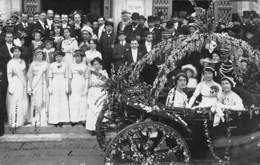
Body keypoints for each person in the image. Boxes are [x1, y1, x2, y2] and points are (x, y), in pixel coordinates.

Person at [6, 46, 28, 129]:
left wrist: (25, 84)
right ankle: (13, 121)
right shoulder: (10, 62)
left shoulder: (23, 62)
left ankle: (20, 121)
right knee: (13, 101)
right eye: (15, 51)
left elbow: (25, 73)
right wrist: (11, 85)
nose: (17, 53)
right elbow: (9, 75)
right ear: (13, 52)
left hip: (22, 83)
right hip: (14, 82)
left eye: (18, 51)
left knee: (21, 101)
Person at [86, 57, 108, 135]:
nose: (96, 66)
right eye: (94, 64)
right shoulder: (90, 73)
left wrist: (98, 83)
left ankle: (101, 129)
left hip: (101, 92)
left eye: (97, 64)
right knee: (93, 109)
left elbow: (106, 82)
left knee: (101, 109)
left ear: (100, 65)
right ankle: (93, 128)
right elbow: (89, 83)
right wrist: (96, 84)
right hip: (93, 92)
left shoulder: (104, 72)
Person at [48, 50, 70, 127]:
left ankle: (62, 119)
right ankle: (55, 119)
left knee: (62, 100)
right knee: (55, 101)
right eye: (57, 56)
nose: (58, 58)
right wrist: (50, 87)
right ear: (55, 57)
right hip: (54, 83)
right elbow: (50, 77)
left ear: (62, 57)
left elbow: (67, 76)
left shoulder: (65, 65)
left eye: (60, 56)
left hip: (62, 82)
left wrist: (67, 87)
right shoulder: (51, 65)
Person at [27, 49, 49, 127]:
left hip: (43, 83)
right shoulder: (32, 64)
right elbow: (29, 76)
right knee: (35, 101)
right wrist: (29, 87)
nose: (40, 56)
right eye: (38, 54)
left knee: (43, 101)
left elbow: (47, 75)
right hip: (35, 83)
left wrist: (48, 85)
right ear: (35, 56)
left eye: (41, 54)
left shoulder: (45, 63)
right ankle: (35, 120)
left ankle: (43, 120)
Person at [68, 50, 89, 126]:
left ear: (81, 57)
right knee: (74, 101)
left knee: (82, 101)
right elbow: (69, 78)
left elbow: (86, 78)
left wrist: (86, 88)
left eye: (79, 56)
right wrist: (69, 87)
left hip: (82, 83)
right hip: (74, 83)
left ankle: (83, 119)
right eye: (76, 56)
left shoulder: (85, 66)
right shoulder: (71, 65)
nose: (77, 58)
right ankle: (74, 119)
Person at [0, 32, 15, 123]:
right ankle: (5, 116)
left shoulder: (17, 47)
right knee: (5, 93)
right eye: (8, 37)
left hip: (15, 75)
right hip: (5, 74)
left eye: (11, 37)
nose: (9, 38)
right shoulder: (1, 48)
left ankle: (14, 114)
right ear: (5, 38)